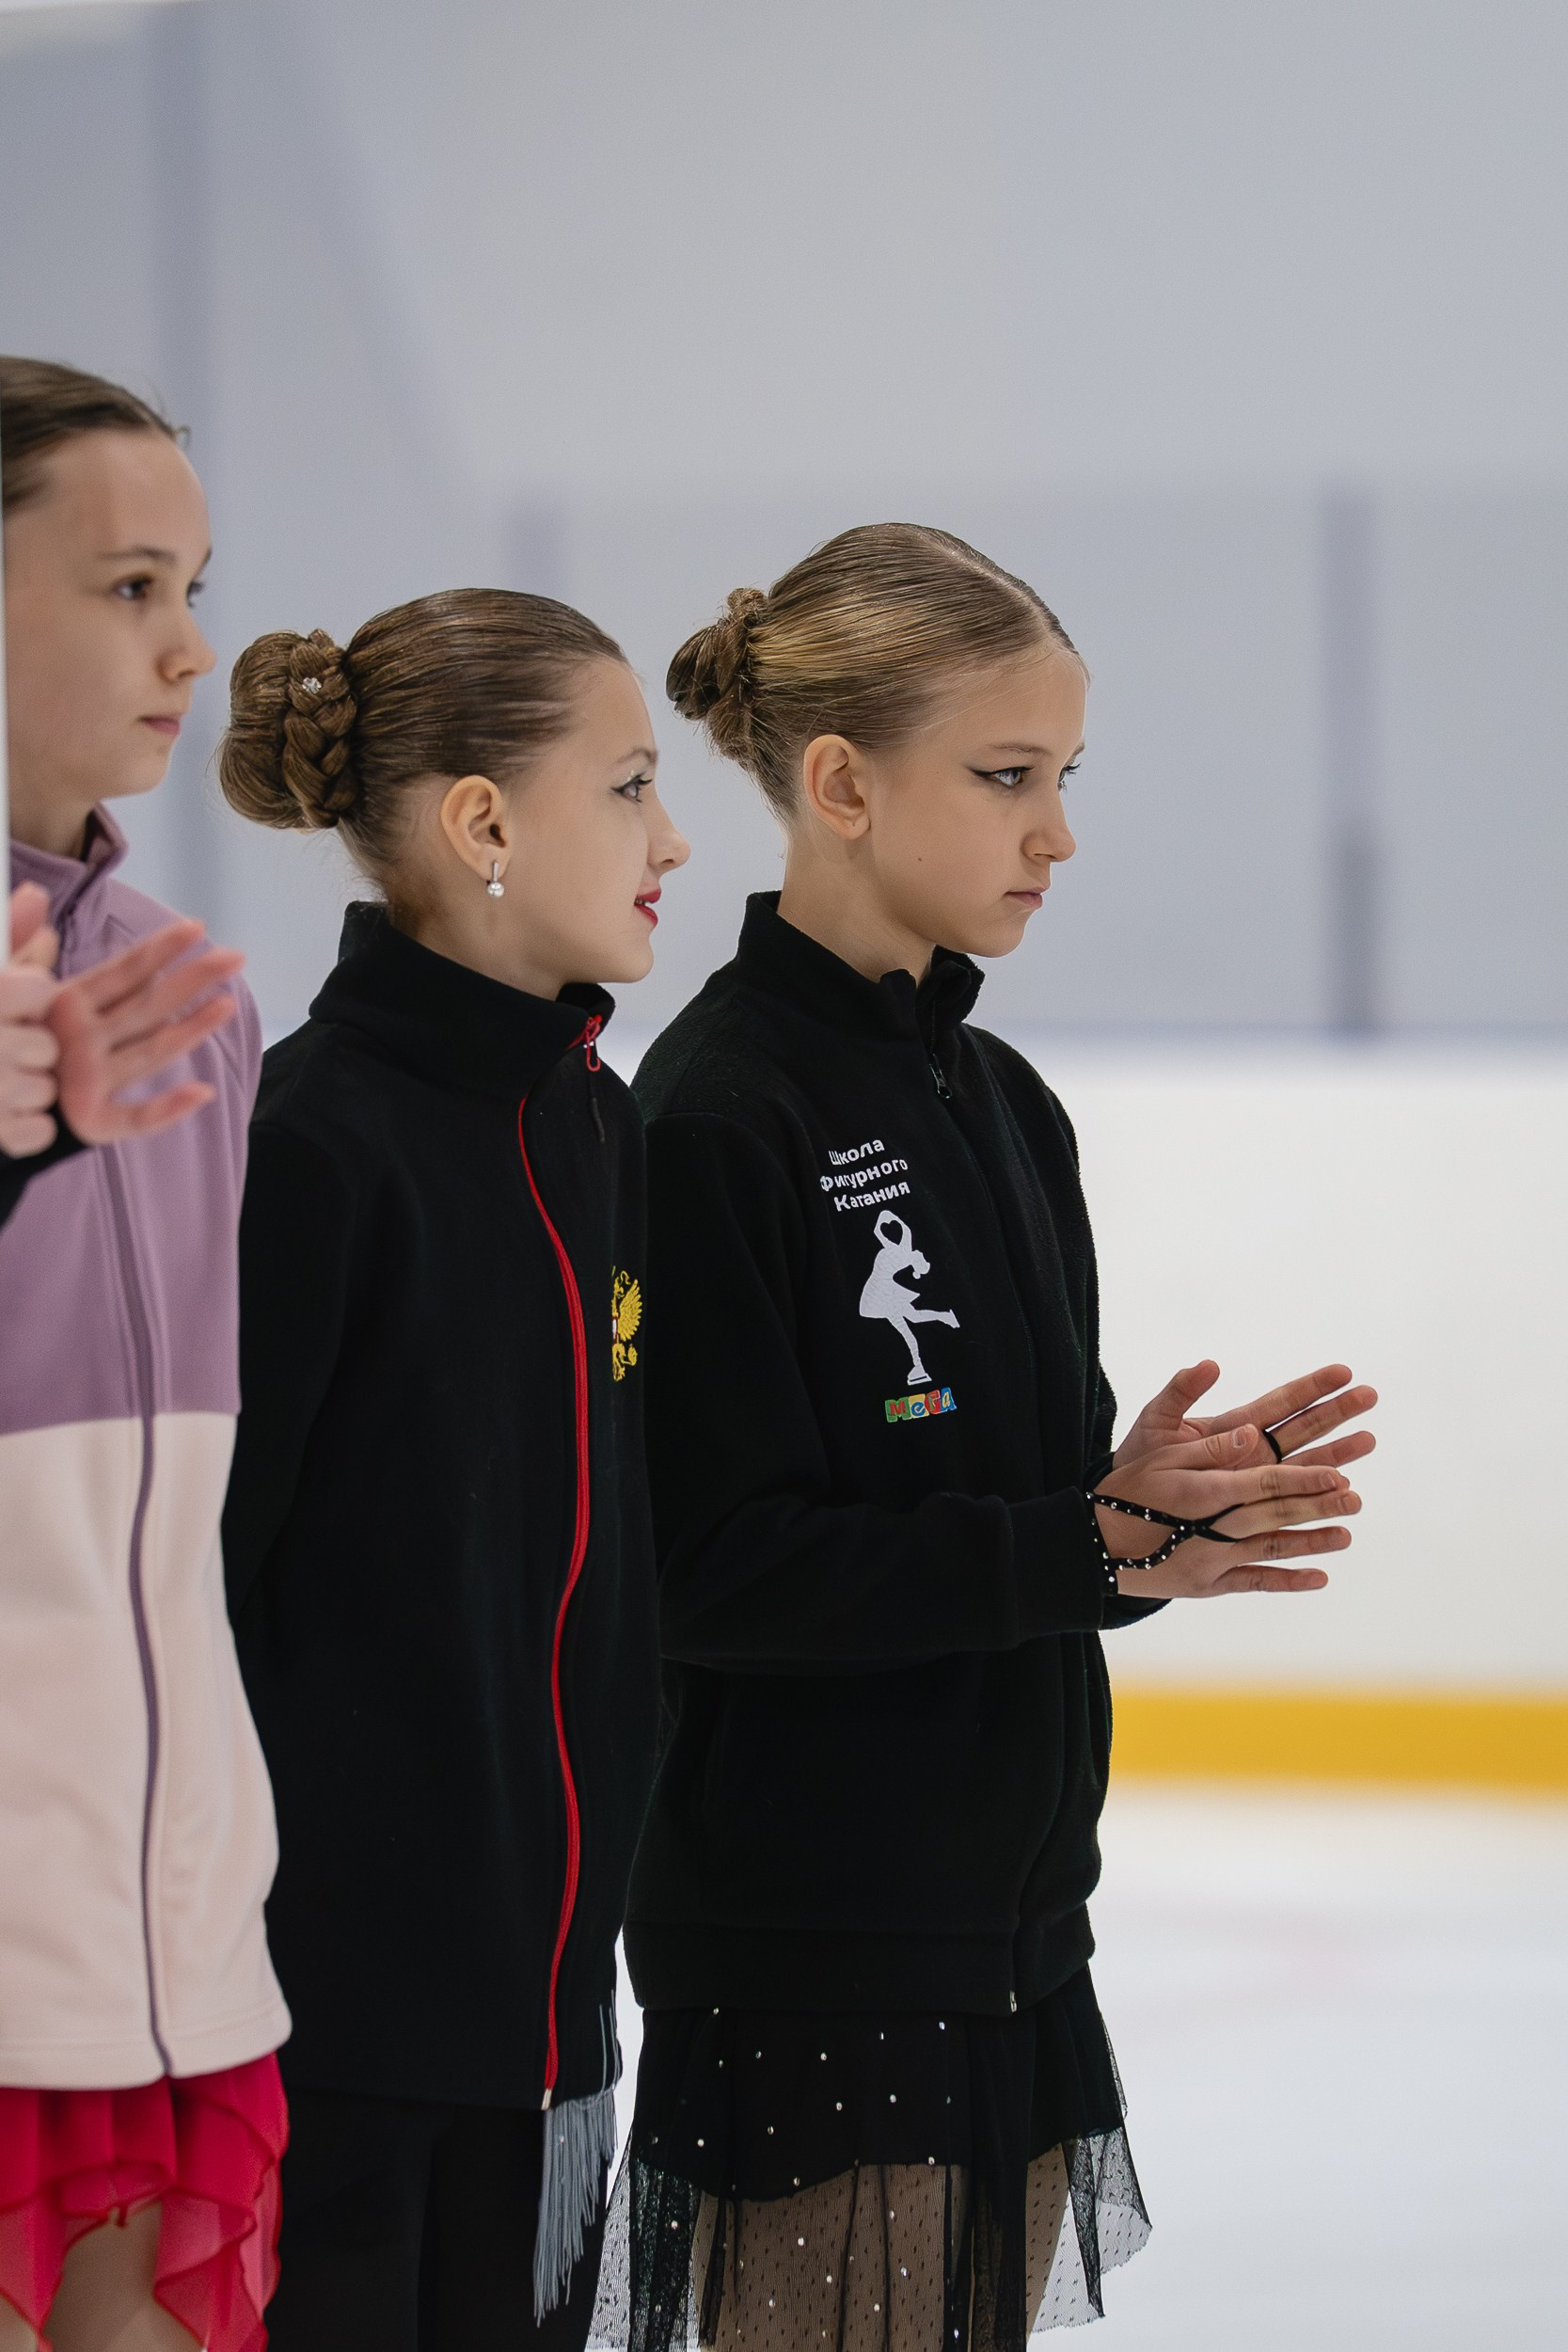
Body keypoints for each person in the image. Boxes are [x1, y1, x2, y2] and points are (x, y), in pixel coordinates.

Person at [596, 526, 1376, 2352]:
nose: (1057, 832)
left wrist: (1153, 1528)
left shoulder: (1003, 1102)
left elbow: (1029, 1530)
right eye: (1008, 776)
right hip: (812, 1963)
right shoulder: (715, 1116)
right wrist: (1073, 1542)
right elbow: (701, 1569)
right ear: (844, 782)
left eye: (1065, 777)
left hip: (1015, 1944)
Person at [215, 589, 689, 2352]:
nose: (675, 837)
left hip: (558, 2039)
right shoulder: (306, 1149)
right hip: (325, 2056)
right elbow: (199, 1593)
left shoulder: (596, 1125)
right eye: (631, 785)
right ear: (484, 824)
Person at [0, 357, 290, 2352]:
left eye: (191, 581)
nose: (192, 643)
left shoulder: (191, 1000)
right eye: (127, 585)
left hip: (168, 1933)